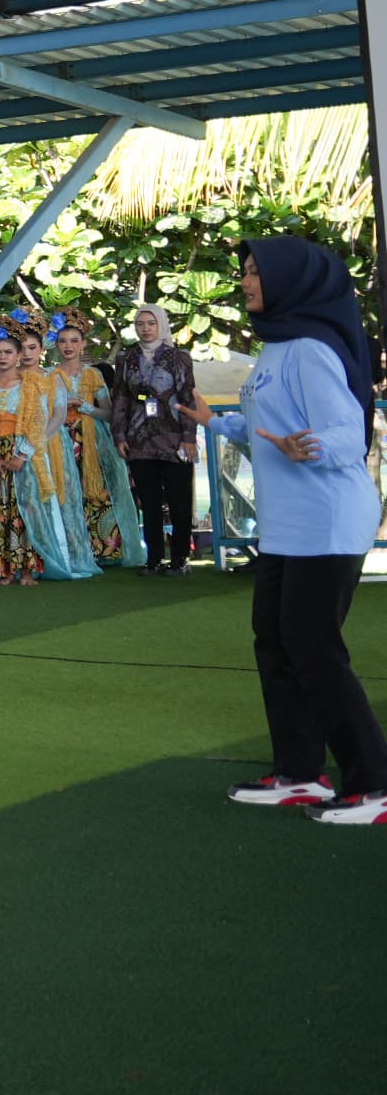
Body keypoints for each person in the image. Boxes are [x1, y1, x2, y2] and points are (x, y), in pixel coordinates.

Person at [226, 238, 387, 822]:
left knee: (314, 650)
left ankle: (374, 785)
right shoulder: (275, 345)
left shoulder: (312, 350)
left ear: (291, 279)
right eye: (245, 272)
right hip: (286, 525)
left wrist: (308, 446)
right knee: (274, 642)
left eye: (254, 272)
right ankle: (300, 773)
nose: (245, 282)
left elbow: (347, 433)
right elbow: (270, 426)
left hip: (327, 520)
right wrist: (216, 424)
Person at [0, 327, 96, 584]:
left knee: (27, 508)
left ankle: (27, 569)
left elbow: (39, 421)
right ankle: (3, 569)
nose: (2, 357)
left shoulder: (30, 386)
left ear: (18, 355)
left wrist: (22, 454)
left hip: (23, 451)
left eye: (8, 352)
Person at [112, 304, 209, 576]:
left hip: (174, 438)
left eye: (151, 323)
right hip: (139, 439)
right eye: (140, 323)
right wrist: (119, 435)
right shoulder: (127, 358)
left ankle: (180, 558)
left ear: (161, 325)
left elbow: (188, 397)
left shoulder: (179, 357)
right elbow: (120, 398)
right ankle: (153, 558)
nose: (145, 329)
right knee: (149, 502)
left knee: (179, 501)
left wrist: (188, 437)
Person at [42, 317, 140, 568]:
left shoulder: (93, 374)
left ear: (83, 344)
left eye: (74, 341)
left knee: (97, 491)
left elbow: (108, 413)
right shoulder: (48, 375)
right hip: (59, 438)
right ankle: (72, 551)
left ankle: (104, 550)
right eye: (63, 341)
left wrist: (85, 407)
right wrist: (60, 409)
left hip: (91, 440)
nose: (68, 346)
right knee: (64, 491)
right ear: (56, 345)